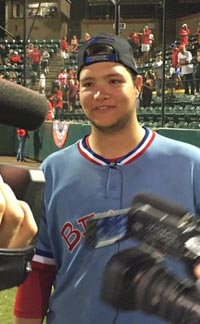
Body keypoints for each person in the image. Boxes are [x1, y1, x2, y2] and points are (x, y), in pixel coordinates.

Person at [14, 33, 200, 324]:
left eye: (114, 81)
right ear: (78, 91)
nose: (100, 93)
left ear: (137, 86)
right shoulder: (54, 169)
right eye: (89, 84)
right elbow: (39, 269)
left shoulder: (192, 164)